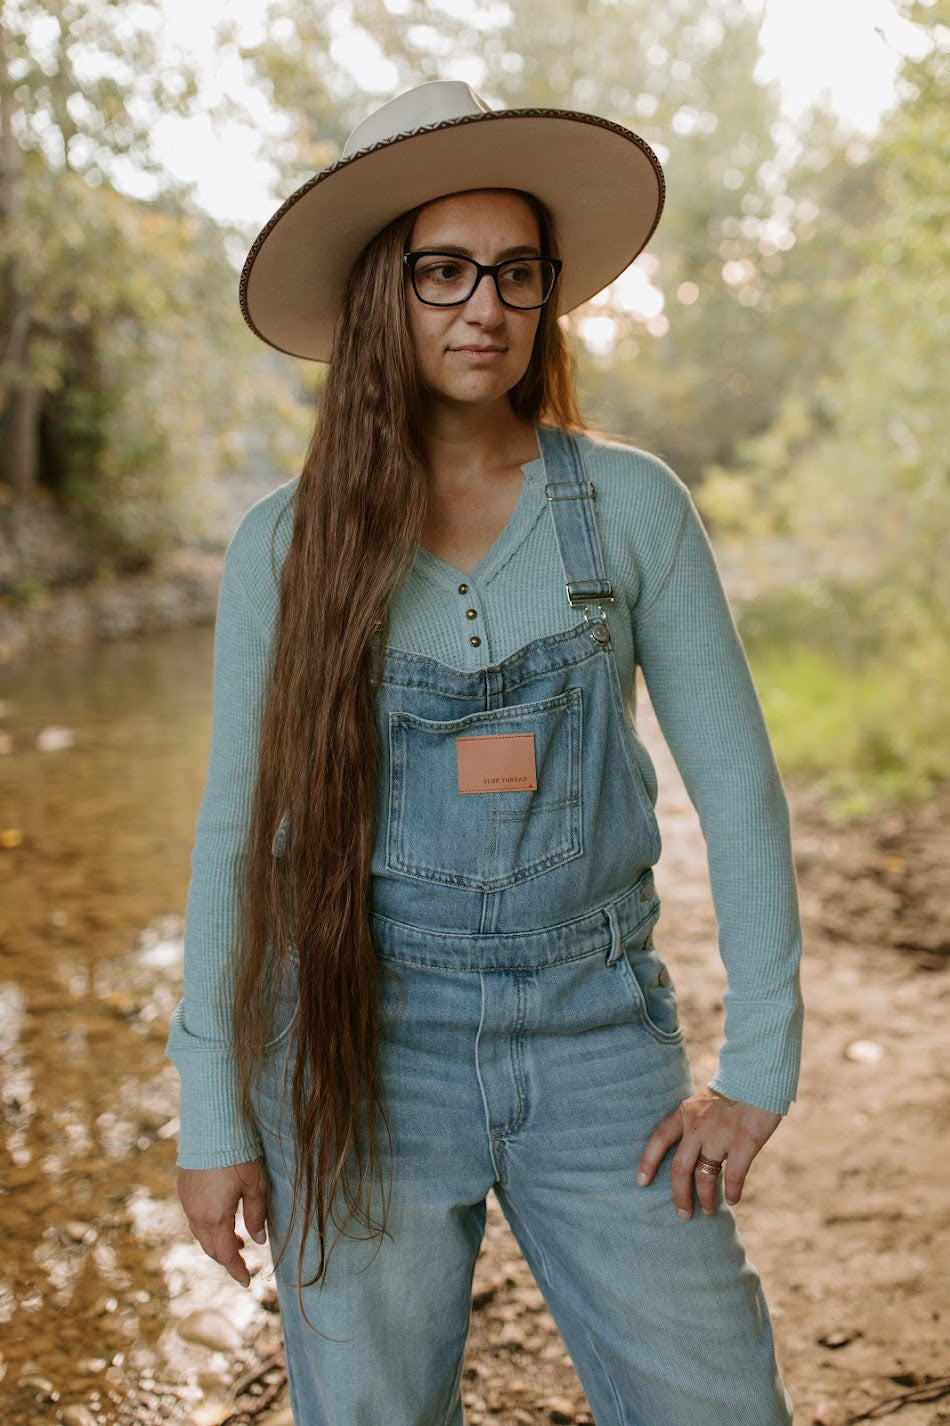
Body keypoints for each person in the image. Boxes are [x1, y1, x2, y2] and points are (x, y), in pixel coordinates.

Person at [168, 80, 803, 1426]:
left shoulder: (630, 508)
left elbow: (737, 792)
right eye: (442, 271)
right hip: (356, 1048)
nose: (485, 306)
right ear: (375, 297)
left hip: (597, 1036)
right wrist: (213, 1115)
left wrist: (758, 1067)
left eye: (517, 273)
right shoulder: (281, 550)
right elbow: (238, 837)